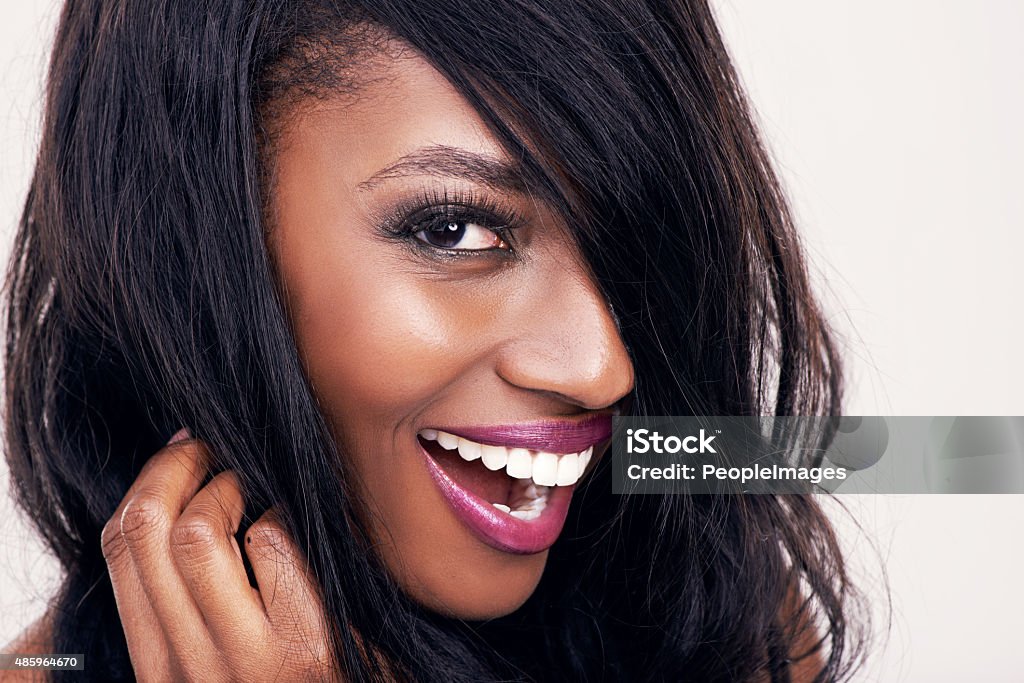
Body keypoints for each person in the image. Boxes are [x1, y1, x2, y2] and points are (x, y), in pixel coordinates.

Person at [2, 0, 864, 680]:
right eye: (455, 230)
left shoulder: (715, 624)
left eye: (623, 239)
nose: (604, 367)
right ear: (197, 243)